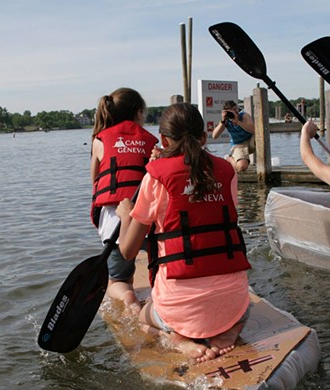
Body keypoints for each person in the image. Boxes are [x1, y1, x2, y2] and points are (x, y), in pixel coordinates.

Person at [116, 102, 252, 363]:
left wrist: (126, 215)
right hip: (232, 305)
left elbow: (127, 251)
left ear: (163, 139)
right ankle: (230, 330)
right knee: (245, 307)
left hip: (179, 308)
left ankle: (176, 338)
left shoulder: (155, 177)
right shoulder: (228, 171)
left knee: (142, 317)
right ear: (203, 137)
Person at [90, 87, 159, 316]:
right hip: (148, 222)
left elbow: (95, 182)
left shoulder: (99, 140)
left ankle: (127, 296)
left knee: (118, 279)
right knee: (160, 270)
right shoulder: (152, 141)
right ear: (139, 112)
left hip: (113, 224)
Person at [211, 100, 254, 173]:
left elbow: (253, 129)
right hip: (239, 144)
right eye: (232, 111)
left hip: (251, 140)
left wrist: (238, 122)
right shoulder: (226, 121)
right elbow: (214, 136)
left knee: (260, 139)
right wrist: (223, 121)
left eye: (235, 109)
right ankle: (230, 159)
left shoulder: (244, 116)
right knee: (241, 167)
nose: (235, 112)